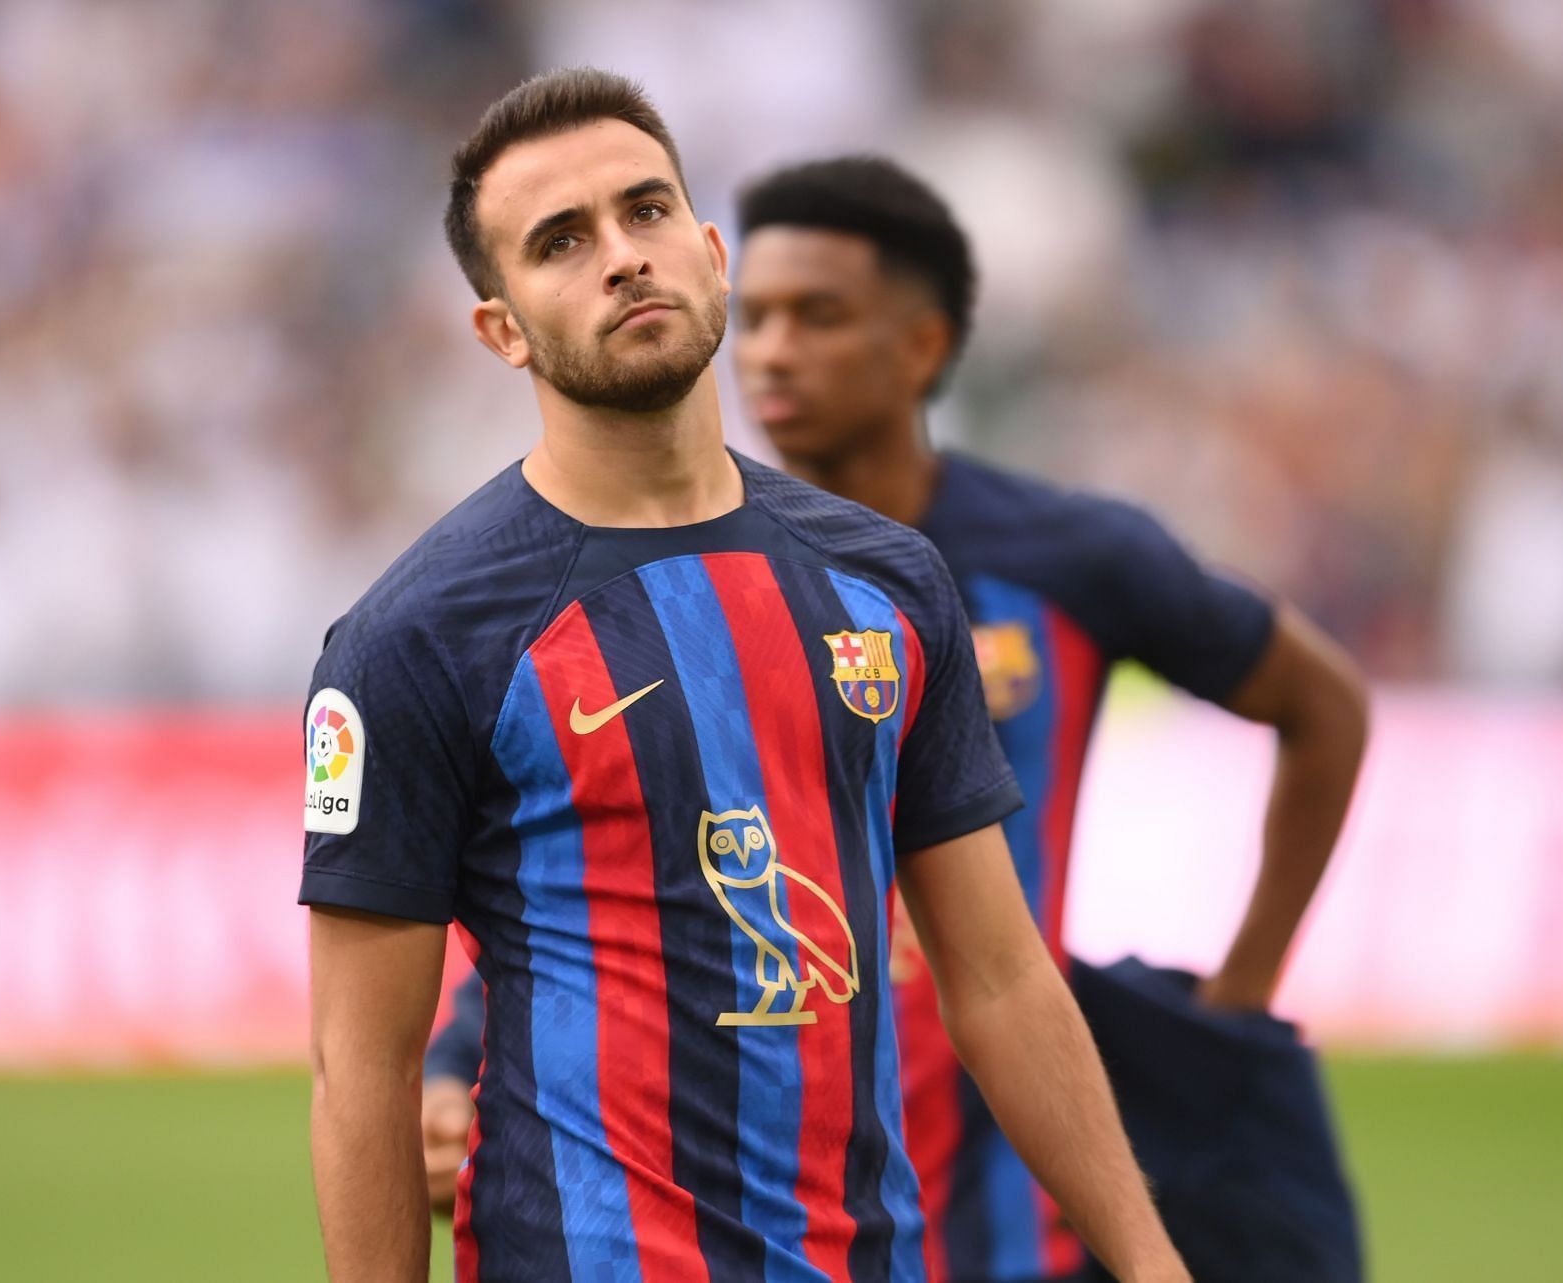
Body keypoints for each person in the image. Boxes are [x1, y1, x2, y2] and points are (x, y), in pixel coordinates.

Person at [302, 71, 1190, 1283]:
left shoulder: (889, 582)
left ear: (713, 253)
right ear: (502, 328)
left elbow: (998, 978)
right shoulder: (417, 639)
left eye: (647, 211)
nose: (622, 257)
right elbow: (364, 1068)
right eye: (562, 242)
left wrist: (1149, 1260)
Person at [425, 152, 1371, 1282]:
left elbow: (1323, 705)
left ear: (920, 346)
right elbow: (630, 868)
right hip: (779, 1204)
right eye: (762, 316)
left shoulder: (1068, 556)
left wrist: (1239, 995)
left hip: (1019, 1196)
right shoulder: (680, 589)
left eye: (817, 316)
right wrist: (457, 1056)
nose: (774, 349)